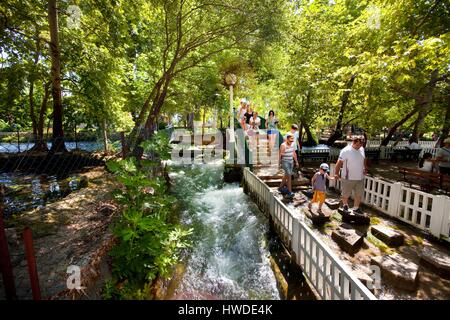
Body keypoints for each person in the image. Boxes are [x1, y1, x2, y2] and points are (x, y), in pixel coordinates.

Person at [334, 135, 367, 214]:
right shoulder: (346, 150)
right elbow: (339, 163)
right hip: (348, 177)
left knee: (359, 194)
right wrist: (336, 173)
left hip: (360, 177)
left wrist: (365, 168)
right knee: (346, 193)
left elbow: (364, 159)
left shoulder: (362, 149)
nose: (359, 146)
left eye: (361, 144)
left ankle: (356, 208)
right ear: (353, 142)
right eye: (358, 144)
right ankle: (345, 205)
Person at [278, 132, 299, 198]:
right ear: (287, 139)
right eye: (290, 140)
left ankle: (280, 188)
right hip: (285, 162)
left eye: (292, 140)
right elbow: (280, 155)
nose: (291, 141)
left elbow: (294, 153)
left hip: (291, 162)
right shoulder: (283, 145)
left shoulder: (293, 144)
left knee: (286, 175)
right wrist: (278, 164)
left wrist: (296, 162)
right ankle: (290, 192)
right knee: (289, 176)